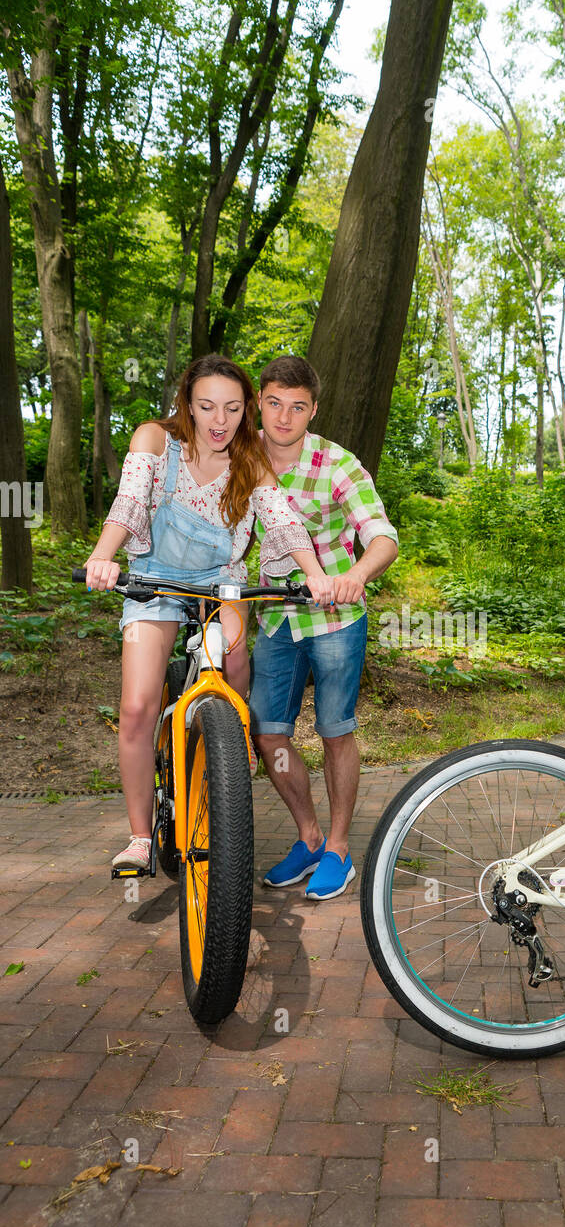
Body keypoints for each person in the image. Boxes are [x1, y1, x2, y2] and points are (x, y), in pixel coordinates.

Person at [84, 353, 334, 871]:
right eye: (207, 407)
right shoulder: (155, 439)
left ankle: (226, 753)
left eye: (233, 409)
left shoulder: (251, 459)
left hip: (221, 579)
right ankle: (138, 837)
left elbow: (282, 521)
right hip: (153, 578)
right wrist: (103, 556)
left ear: (246, 410)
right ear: (188, 405)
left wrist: (313, 573)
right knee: (136, 706)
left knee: (238, 663)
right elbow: (130, 503)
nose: (220, 421)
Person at [249, 354, 399, 901]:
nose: (283, 417)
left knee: (335, 732)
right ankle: (309, 836)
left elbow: (382, 535)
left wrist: (357, 574)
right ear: (259, 403)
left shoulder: (338, 463)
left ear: (313, 410)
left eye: (297, 407)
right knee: (269, 734)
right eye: (273, 404)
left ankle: (338, 849)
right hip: (274, 619)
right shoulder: (240, 458)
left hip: (335, 617)